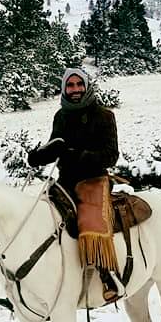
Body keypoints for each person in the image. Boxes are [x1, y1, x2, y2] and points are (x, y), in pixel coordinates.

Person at [26, 67, 121, 303]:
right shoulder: (61, 116)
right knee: (38, 216)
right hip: (65, 182)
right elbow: (55, 147)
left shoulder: (104, 115)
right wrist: (39, 155)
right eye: (71, 85)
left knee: (90, 221)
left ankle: (107, 273)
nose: (76, 89)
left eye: (80, 85)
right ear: (64, 88)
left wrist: (76, 155)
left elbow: (111, 155)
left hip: (93, 179)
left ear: (87, 86)